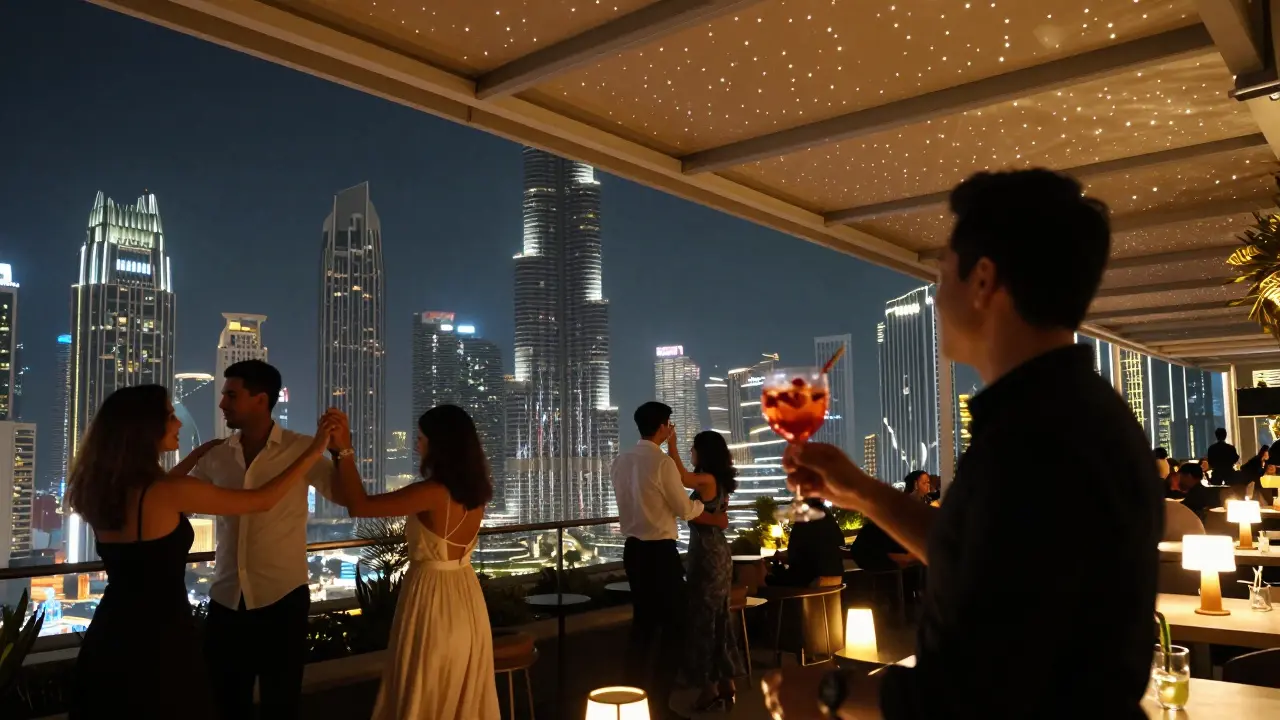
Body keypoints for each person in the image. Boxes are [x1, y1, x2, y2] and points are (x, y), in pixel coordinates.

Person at [763, 170, 1161, 719]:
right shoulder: (1068, 414)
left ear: (983, 281)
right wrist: (861, 492)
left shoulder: (1035, 443)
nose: (936, 292)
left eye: (941, 271)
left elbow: (986, 695)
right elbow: (981, 564)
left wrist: (832, 693)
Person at [65, 385, 333, 718]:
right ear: (145, 427)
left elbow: (157, 490)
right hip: (160, 640)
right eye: (170, 416)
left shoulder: (103, 490)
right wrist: (311, 452)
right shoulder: (169, 491)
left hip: (110, 634)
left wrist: (195, 456)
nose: (178, 423)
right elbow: (261, 500)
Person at [193, 360, 352, 720]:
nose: (222, 404)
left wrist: (341, 449)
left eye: (231, 395)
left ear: (261, 400)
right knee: (226, 703)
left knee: (281, 703)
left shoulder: (299, 449)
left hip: (282, 598)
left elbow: (343, 495)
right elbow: (179, 500)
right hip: (226, 598)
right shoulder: (216, 455)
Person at [328, 405, 499, 719]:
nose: (416, 444)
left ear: (439, 444)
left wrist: (344, 452)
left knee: (426, 686)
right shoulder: (475, 493)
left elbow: (360, 506)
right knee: (458, 689)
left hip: (433, 599)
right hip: (465, 598)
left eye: (421, 438)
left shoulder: (433, 493)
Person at [611, 402, 704, 719]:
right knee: (676, 626)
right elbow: (684, 509)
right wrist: (702, 507)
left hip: (633, 552)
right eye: (669, 424)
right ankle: (659, 703)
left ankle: (631, 702)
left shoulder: (621, 461)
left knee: (643, 627)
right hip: (659, 553)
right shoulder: (662, 463)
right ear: (664, 427)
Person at [667, 429, 744, 712]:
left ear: (704, 452)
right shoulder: (720, 482)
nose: (691, 453)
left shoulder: (706, 480)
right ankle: (726, 685)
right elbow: (718, 518)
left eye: (693, 449)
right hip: (720, 554)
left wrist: (672, 447)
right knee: (719, 618)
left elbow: (683, 478)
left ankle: (709, 689)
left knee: (704, 621)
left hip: (707, 556)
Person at [772, 498, 848, 584]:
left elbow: (795, 555)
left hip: (808, 580)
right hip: (834, 579)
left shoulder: (805, 520)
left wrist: (780, 558)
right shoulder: (829, 519)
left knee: (767, 581)